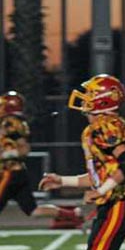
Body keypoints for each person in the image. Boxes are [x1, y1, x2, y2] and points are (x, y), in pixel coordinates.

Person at [38, 75, 125, 250]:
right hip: (109, 205)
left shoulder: (105, 126)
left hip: (118, 205)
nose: (85, 98)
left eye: (91, 93)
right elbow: (98, 177)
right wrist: (62, 180)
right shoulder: (98, 127)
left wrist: (101, 190)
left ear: (104, 100)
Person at [0, 91, 84, 227]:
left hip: (8, 173)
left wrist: (5, 155)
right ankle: (71, 214)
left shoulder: (10, 121)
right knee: (33, 210)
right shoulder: (14, 121)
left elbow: (23, 148)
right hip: (17, 172)